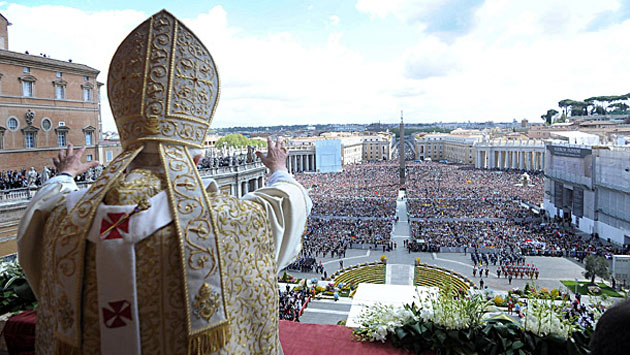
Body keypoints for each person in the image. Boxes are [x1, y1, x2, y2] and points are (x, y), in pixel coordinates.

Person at [17, 10, 311, 355]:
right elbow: (287, 203)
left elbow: (41, 211)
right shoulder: (231, 221)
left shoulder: (64, 219)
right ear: (197, 161)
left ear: (123, 152)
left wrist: (66, 174)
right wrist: (278, 168)